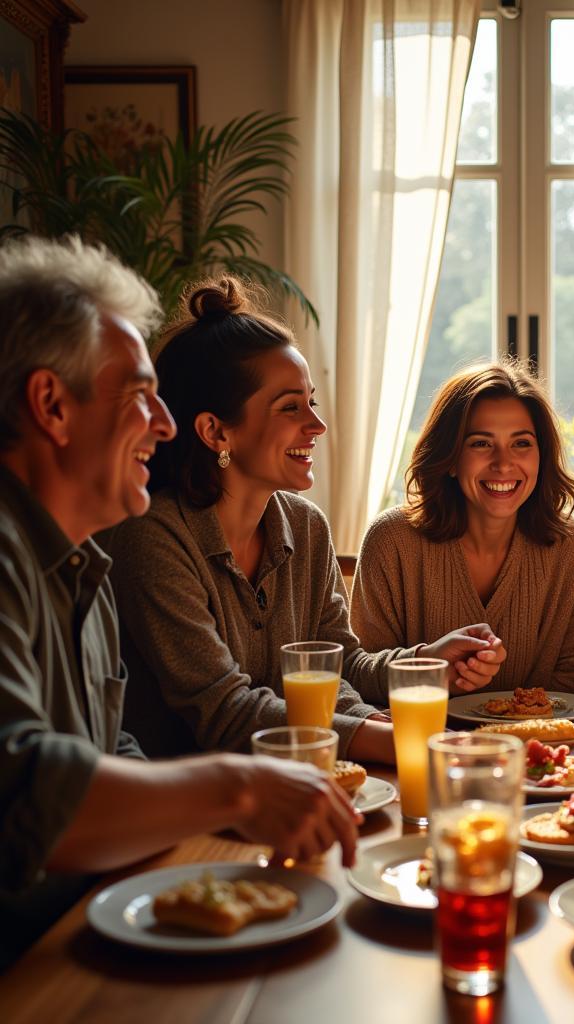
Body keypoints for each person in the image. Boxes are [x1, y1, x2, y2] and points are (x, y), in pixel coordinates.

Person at [0, 236, 360, 969]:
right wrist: (239, 788)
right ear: (51, 406)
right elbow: (23, 791)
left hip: (87, 930)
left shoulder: (83, 559)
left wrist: (205, 869)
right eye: (139, 397)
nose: (163, 425)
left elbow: (117, 749)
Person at [105, 278, 506, 762]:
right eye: (290, 407)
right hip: (190, 811)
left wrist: (426, 664)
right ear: (215, 431)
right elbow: (225, 711)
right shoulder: (155, 538)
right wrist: (390, 738)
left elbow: (341, 665)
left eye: (311, 401)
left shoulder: (305, 525)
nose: (316, 425)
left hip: (299, 784)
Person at [351, 362, 574, 697]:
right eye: (481, 443)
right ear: (450, 458)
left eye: (521, 443)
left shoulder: (573, 546)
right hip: (418, 744)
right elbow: (357, 676)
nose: (504, 463)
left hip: (540, 748)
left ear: (542, 455)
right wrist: (427, 664)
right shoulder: (392, 540)